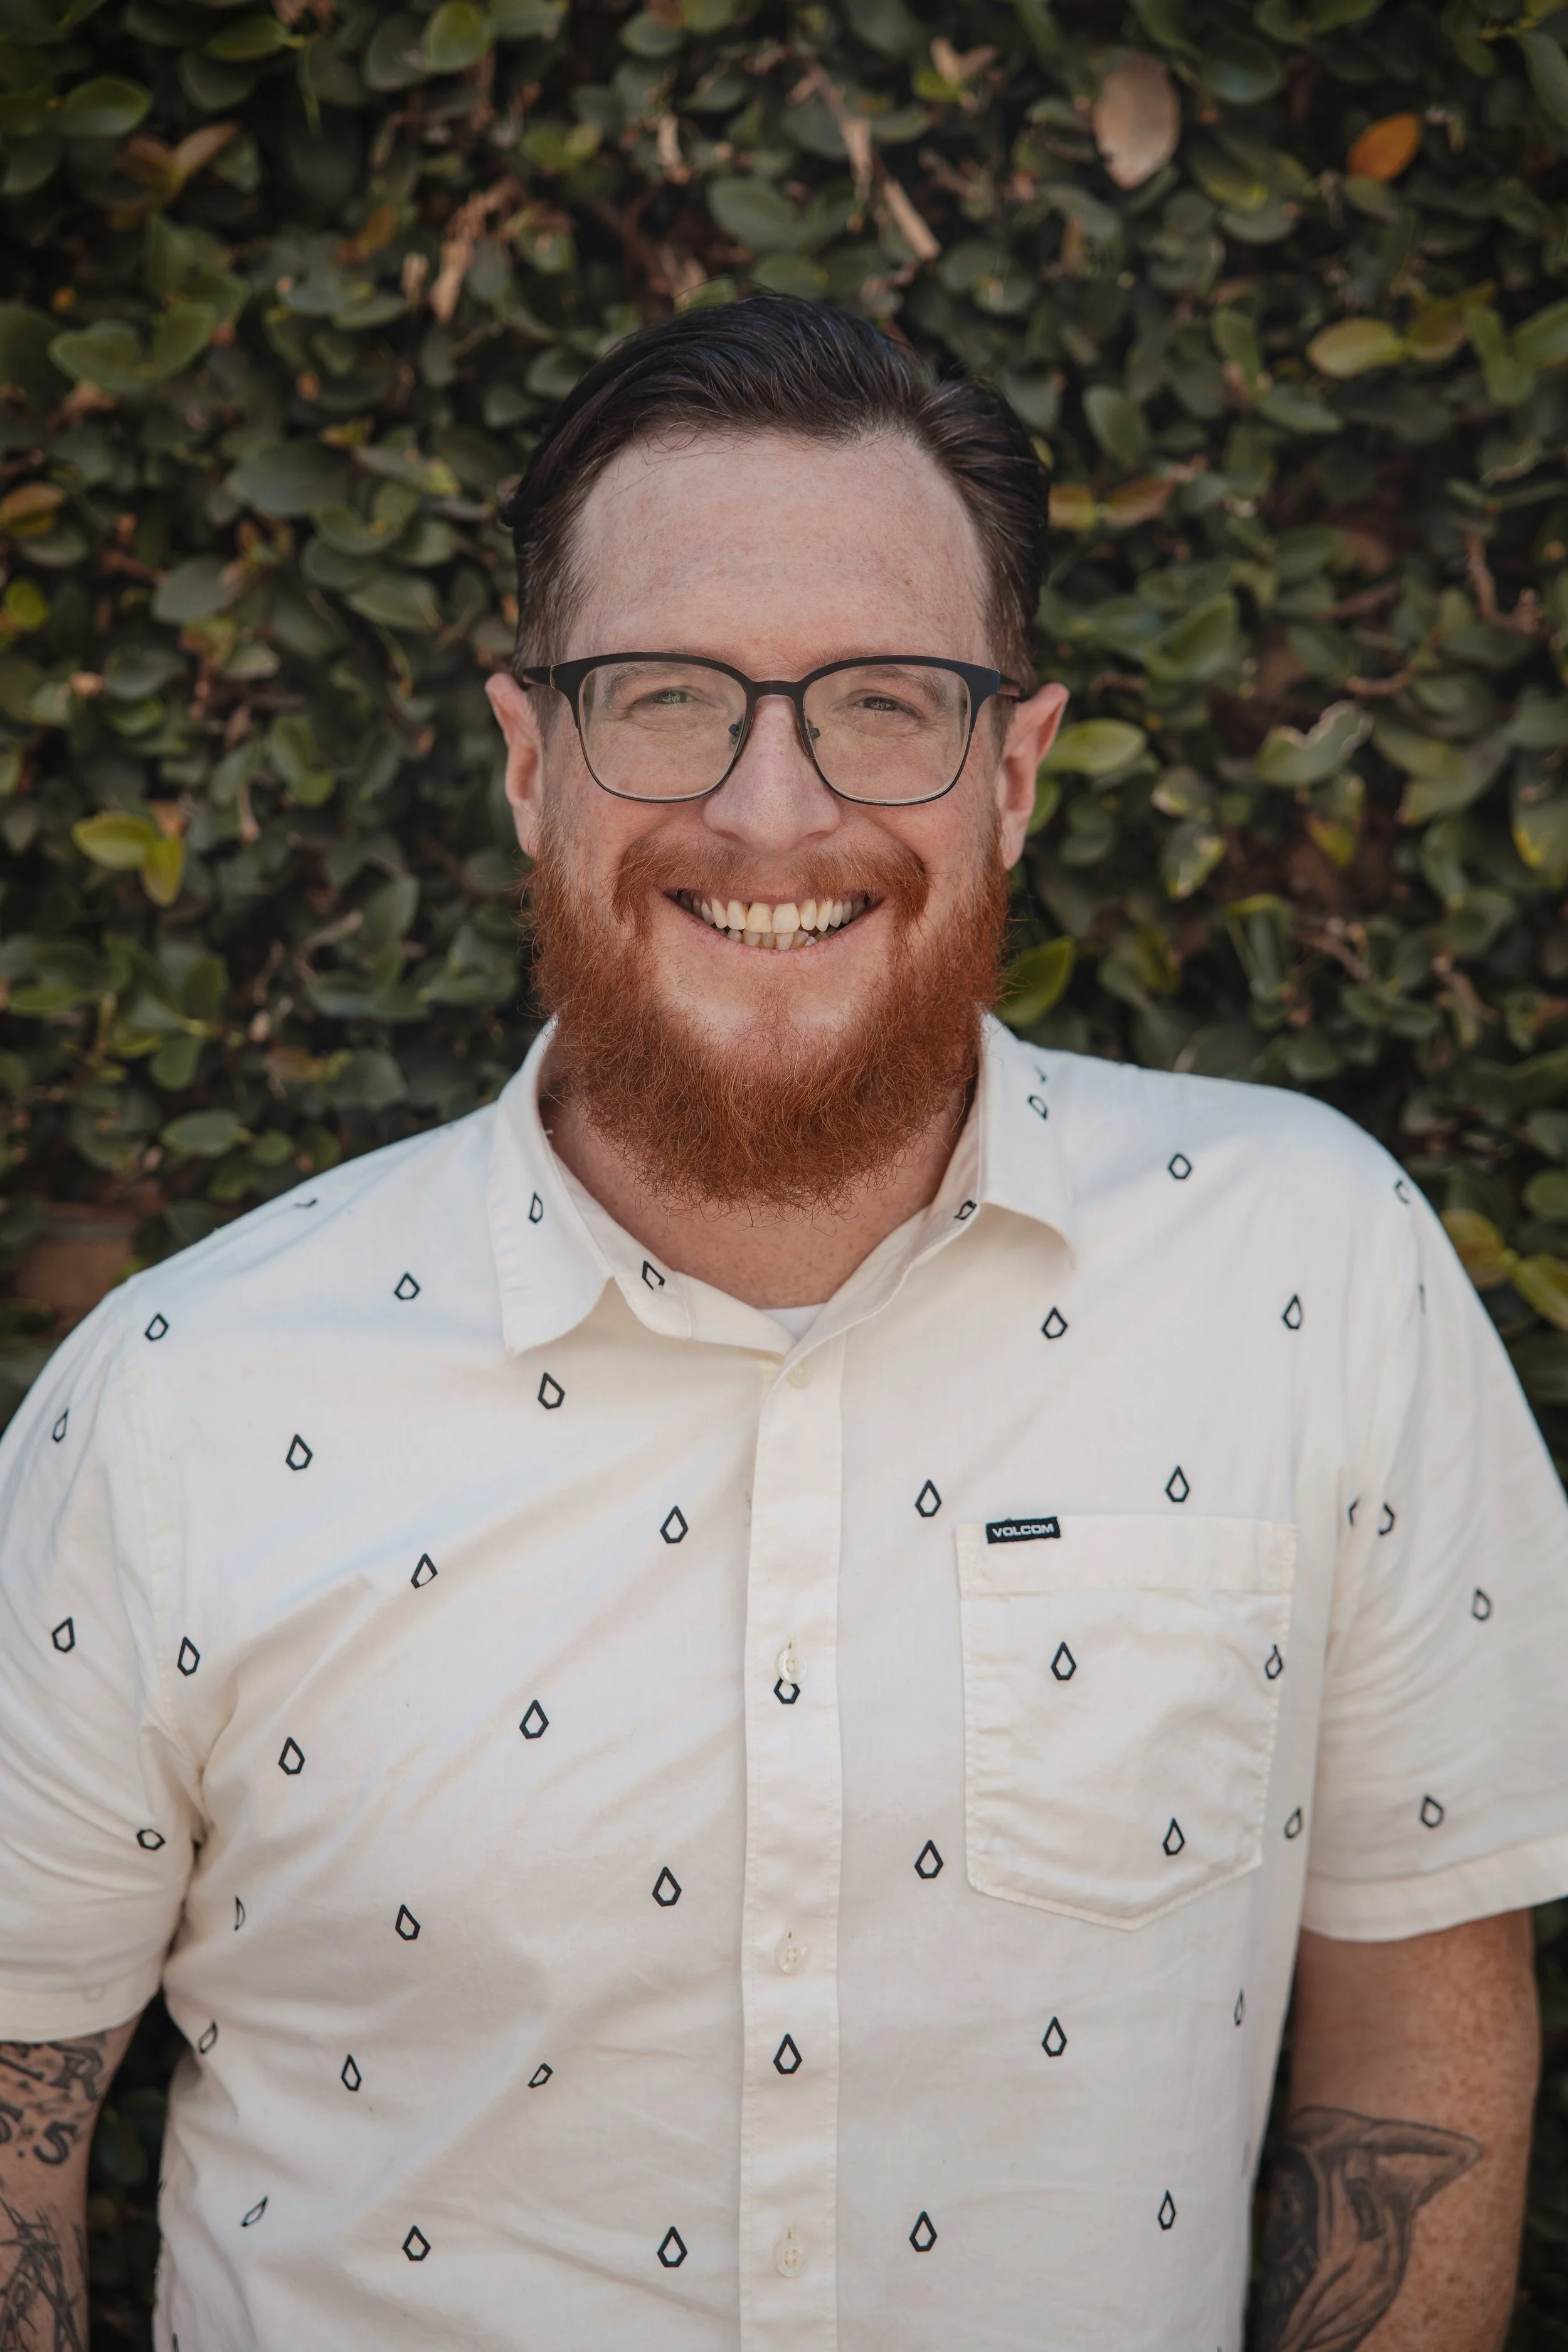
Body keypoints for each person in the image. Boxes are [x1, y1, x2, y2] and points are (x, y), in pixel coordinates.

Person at [1, 293, 1564, 2352]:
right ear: (526, 761)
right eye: (666, 696)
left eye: (883, 702)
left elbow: (1414, 2023)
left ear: (1012, 771)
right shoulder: (181, 1402)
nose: (768, 811)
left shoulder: (1307, 1271)